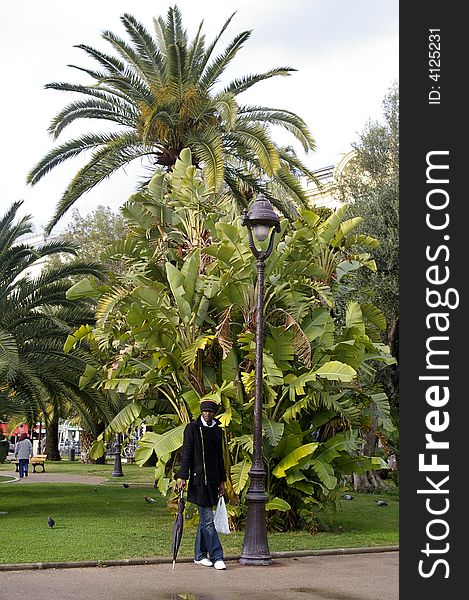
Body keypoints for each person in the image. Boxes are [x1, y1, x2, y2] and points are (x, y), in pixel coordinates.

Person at [176, 399, 227, 570]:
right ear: (201, 412)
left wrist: (222, 480)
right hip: (198, 481)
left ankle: (199, 555)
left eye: (210, 412)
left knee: (204, 521)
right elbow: (187, 453)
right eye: (205, 411)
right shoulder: (192, 428)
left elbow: (220, 457)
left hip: (213, 481)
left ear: (214, 413)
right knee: (207, 519)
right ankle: (217, 556)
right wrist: (182, 477)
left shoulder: (218, 431)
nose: (207, 414)